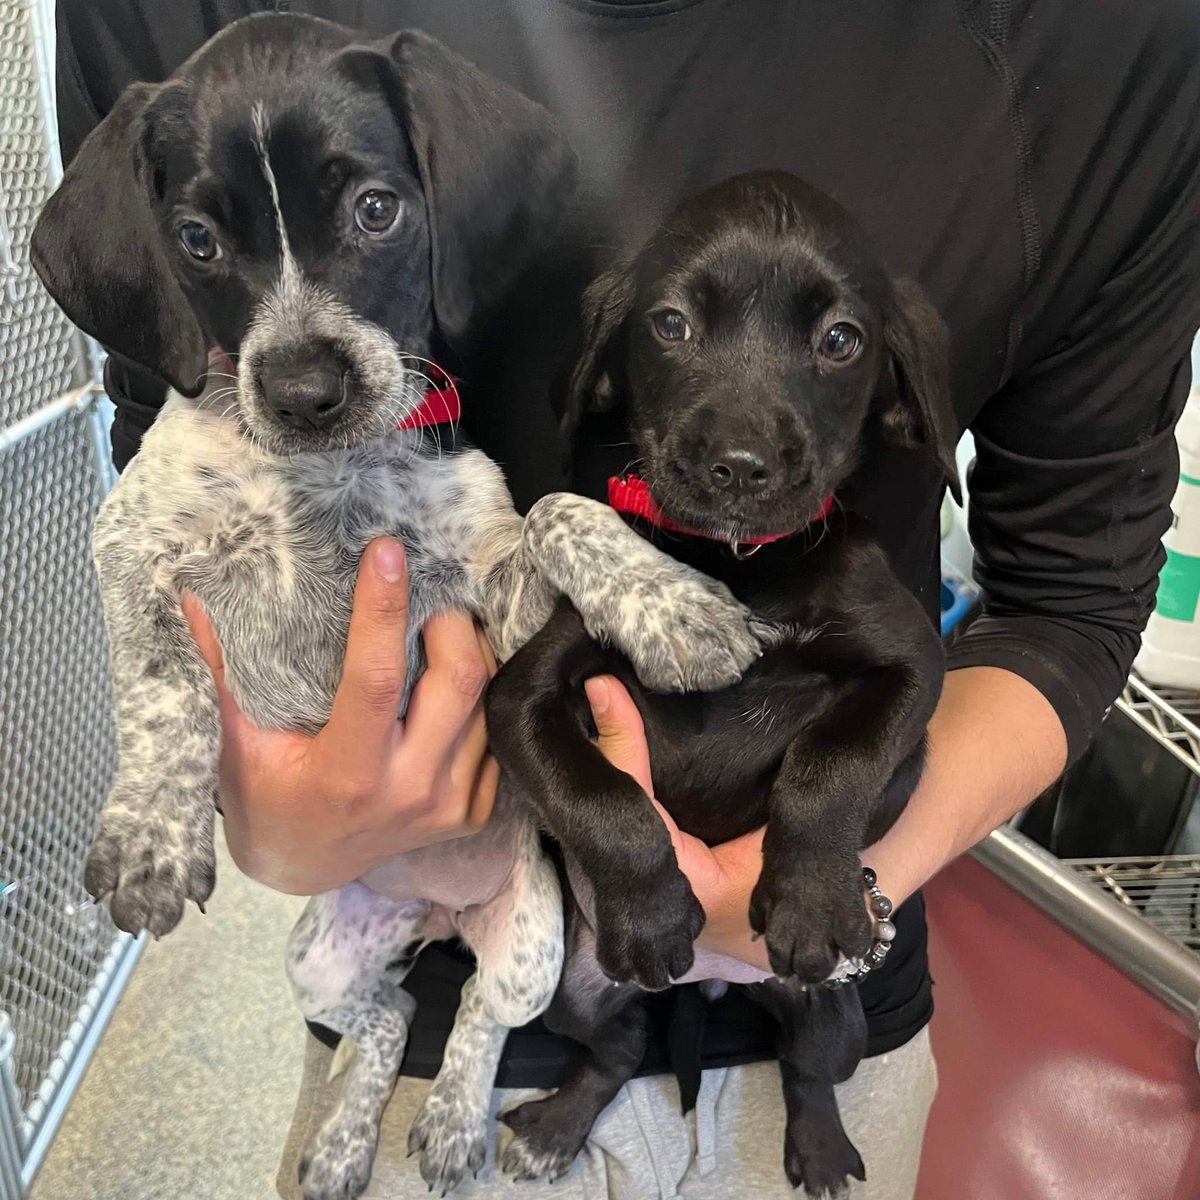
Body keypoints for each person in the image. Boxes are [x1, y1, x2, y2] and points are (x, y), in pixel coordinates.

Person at [53, 2, 1200, 1197]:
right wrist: (254, 799)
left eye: (376, 211)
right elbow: (168, 471)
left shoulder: (1109, 42)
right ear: (606, 368)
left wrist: (835, 869)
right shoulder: (183, 28)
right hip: (457, 974)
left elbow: (1070, 595)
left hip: (821, 967)